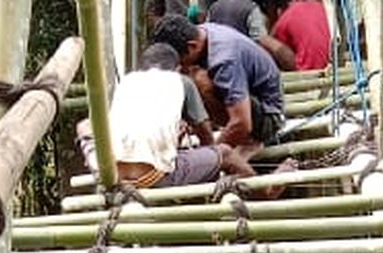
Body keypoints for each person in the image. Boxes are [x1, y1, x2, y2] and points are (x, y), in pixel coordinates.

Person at [78, 43, 257, 189]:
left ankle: (99, 168)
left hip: (113, 175)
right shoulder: (181, 81)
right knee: (224, 153)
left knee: (85, 125)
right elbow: (207, 138)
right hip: (151, 177)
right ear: (178, 69)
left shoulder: (128, 81)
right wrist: (211, 163)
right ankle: (265, 191)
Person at [153, 14, 286, 149]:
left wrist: (211, 155)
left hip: (268, 117)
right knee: (187, 78)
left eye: (181, 60)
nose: (181, 65)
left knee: (198, 81)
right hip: (248, 100)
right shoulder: (200, 33)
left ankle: (248, 142)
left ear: (192, 46)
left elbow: (242, 122)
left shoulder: (224, 59)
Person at [206, 0, 296, 69]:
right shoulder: (250, 8)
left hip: (218, 60)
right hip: (241, 63)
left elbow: (208, 32)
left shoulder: (215, 7)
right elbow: (262, 39)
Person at [271, 0, 331, 71]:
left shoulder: (285, 20)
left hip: (303, 70)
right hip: (324, 66)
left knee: (265, 40)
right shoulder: (319, 6)